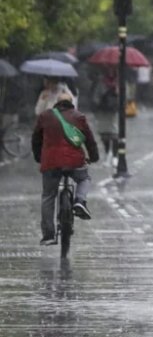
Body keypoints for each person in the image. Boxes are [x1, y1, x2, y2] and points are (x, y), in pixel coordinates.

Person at [31, 93, 99, 246]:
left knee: (48, 196)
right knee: (84, 178)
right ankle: (80, 201)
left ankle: (48, 235)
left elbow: (36, 138)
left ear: (57, 103)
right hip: (75, 161)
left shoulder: (45, 116)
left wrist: (39, 157)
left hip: (51, 162)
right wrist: (93, 157)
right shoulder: (79, 116)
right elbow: (89, 139)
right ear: (71, 102)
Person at [92, 67, 118, 164]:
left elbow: (125, 96)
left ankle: (115, 156)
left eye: (112, 70)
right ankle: (108, 154)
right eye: (109, 70)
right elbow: (95, 97)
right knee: (104, 134)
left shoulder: (118, 82)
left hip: (114, 112)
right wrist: (103, 98)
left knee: (114, 133)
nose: (111, 72)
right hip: (102, 111)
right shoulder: (101, 82)